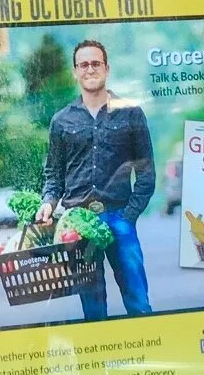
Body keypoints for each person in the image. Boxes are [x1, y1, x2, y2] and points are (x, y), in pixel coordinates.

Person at [37, 39, 155, 321]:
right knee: (93, 309)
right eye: (83, 64)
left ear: (107, 68)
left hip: (119, 218)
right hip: (77, 224)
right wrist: (48, 203)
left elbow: (146, 172)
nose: (90, 69)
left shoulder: (131, 113)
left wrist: (129, 216)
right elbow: (54, 174)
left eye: (95, 63)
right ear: (75, 71)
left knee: (139, 303)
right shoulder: (61, 121)